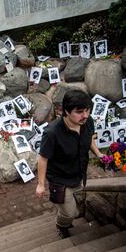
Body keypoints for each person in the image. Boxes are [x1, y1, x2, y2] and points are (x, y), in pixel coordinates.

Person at [36, 90, 104, 239]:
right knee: (70, 213)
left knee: (73, 209)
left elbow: (89, 138)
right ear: (65, 111)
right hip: (60, 180)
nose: (85, 115)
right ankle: (61, 225)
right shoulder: (52, 133)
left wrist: (98, 153)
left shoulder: (87, 121)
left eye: (87, 110)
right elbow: (42, 158)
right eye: (79, 112)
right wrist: (41, 184)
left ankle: (66, 219)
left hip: (79, 174)